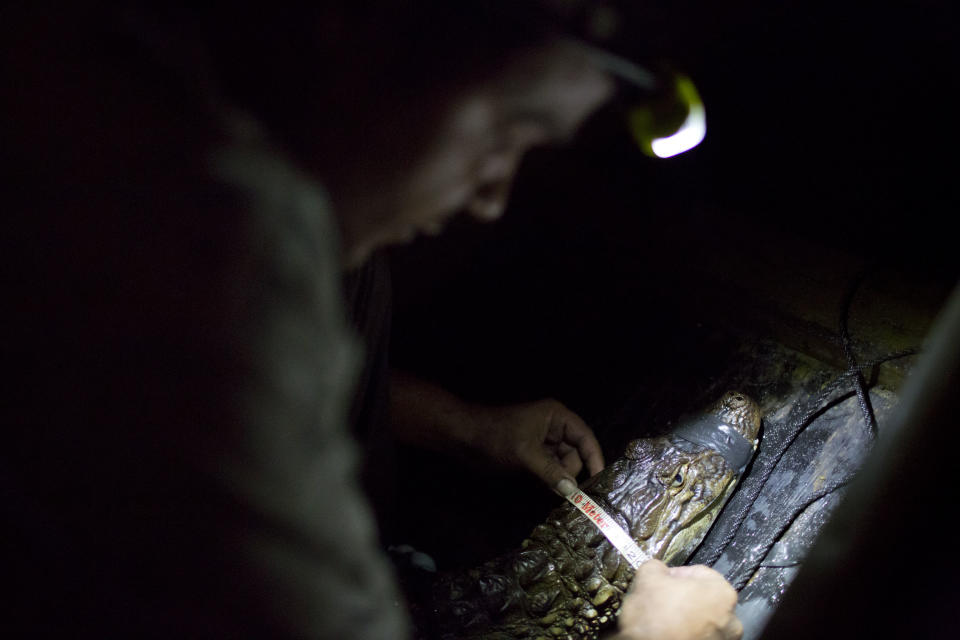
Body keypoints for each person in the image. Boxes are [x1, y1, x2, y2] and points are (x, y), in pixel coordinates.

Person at [1, 3, 740, 639]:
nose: (492, 198)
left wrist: (463, 426)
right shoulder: (209, 258)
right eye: (510, 130)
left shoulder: (257, 156)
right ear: (362, 32)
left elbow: (270, 400)